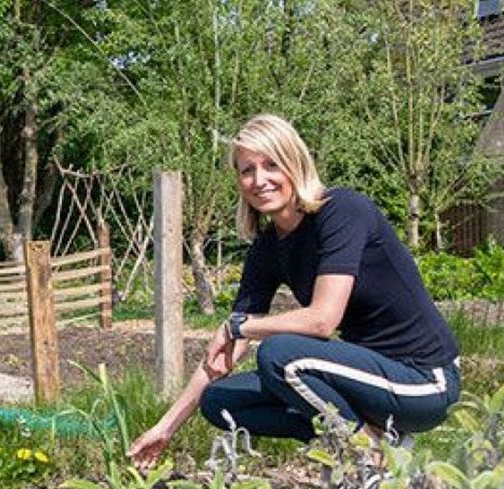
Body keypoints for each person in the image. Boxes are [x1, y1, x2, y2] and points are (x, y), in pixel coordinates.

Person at [128, 114, 461, 470]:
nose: (259, 180)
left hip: (424, 382)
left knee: (279, 355)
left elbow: (322, 320)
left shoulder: (343, 211)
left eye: (271, 165)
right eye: (247, 170)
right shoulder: (267, 247)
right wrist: (165, 427)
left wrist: (238, 327)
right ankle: (373, 436)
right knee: (220, 401)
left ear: (295, 163)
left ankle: (371, 459)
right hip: (365, 381)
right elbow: (228, 349)